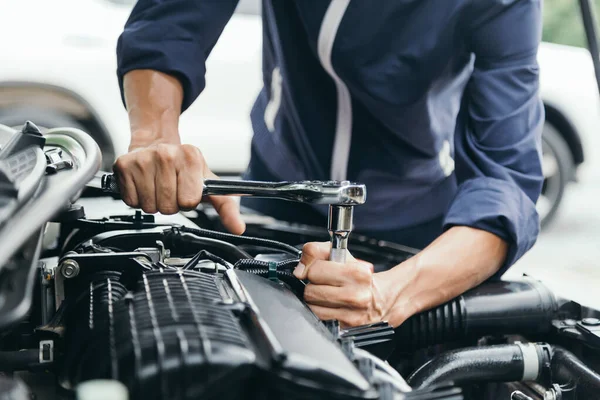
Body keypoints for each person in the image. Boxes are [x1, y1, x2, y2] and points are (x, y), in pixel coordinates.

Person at [114, 0, 544, 328]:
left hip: (412, 217)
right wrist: (154, 136)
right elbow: (171, 21)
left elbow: (505, 180)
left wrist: (390, 294)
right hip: (279, 189)